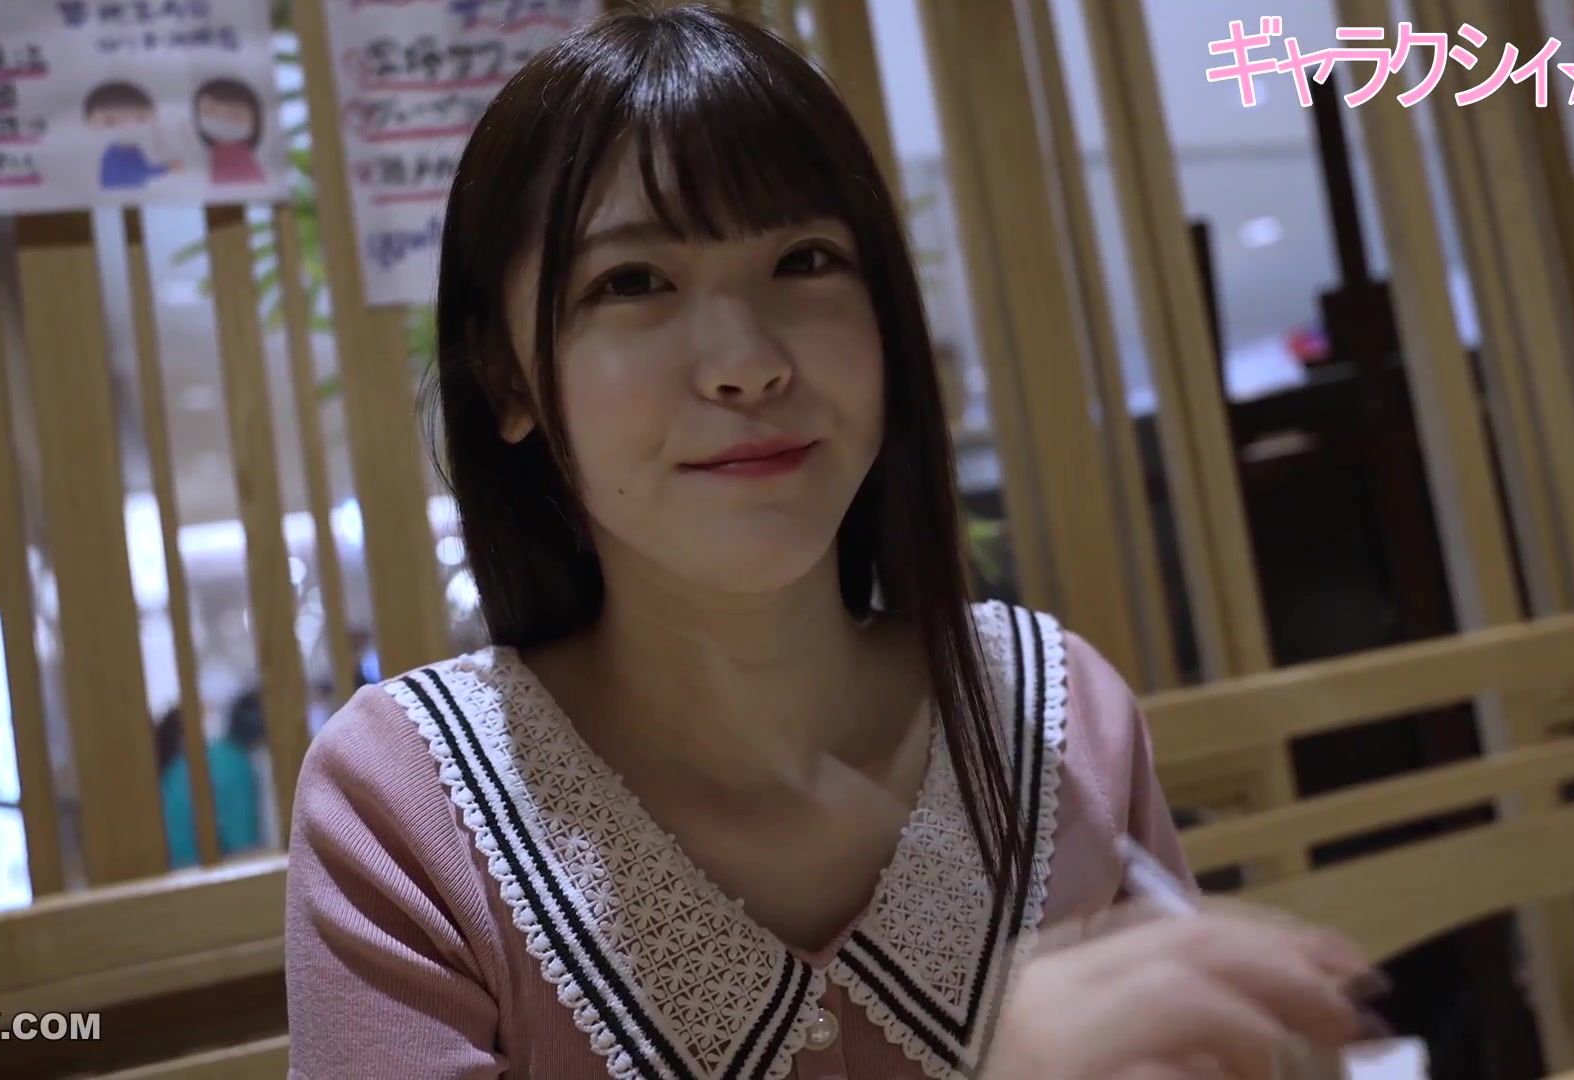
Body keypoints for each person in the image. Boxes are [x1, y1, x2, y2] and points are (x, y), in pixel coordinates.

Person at [284, 6, 1380, 1078]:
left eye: (805, 261)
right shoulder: (404, 808)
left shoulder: (1055, 721)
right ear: (508, 380)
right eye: (634, 282)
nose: (747, 363)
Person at [154, 699, 262, 869]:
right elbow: (243, 847)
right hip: (206, 875)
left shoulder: (176, 769)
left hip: (172, 874)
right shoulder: (232, 763)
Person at [83, 81, 179, 190]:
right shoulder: (116, 152)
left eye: (140, 119)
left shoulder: (131, 148)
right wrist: (166, 169)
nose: (127, 127)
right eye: (110, 122)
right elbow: (138, 172)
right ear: (88, 124)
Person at [191, 77, 267, 185]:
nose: (222, 120)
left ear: (256, 120)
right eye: (210, 111)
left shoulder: (240, 158)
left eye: (236, 115)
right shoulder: (216, 150)